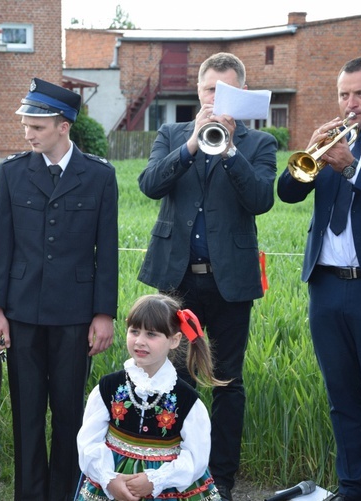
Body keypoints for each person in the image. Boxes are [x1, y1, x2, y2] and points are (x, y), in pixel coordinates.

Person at [137, 52, 277, 500]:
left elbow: (261, 200)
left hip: (230, 281)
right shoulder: (173, 134)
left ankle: (222, 481)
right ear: (198, 92)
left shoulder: (259, 144)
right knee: (176, 379)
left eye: (224, 91)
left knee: (229, 384)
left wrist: (230, 149)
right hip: (178, 281)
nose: (215, 99)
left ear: (240, 95)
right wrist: (194, 143)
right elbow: (149, 184)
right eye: (208, 90)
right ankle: (176, 475)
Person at [0, 77, 119, 501]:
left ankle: (66, 493)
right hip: (22, 314)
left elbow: (108, 251)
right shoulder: (12, 173)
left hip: (75, 315)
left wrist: (104, 314)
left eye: (37, 127)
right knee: (27, 413)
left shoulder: (98, 176)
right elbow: (0, 245)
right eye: (26, 125)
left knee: (69, 413)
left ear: (64, 126)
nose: (28, 134)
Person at [276, 57, 361, 501]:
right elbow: (288, 193)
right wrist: (311, 152)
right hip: (325, 288)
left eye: (360, 94)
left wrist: (350, 168)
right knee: (341, 396)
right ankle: (354, 488)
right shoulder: (329, 143)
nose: (350, 103)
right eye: (344, 94)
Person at [77, 294, 223, 501]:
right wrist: (109, 480)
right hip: (115, 485)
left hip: (169, 490)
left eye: (151, 334)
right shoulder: (107, 389)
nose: (139, 341)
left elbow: (196, 457)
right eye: (134, 331)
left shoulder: (187, 400)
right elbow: (88, 442)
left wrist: (156, 480)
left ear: (174, 340)